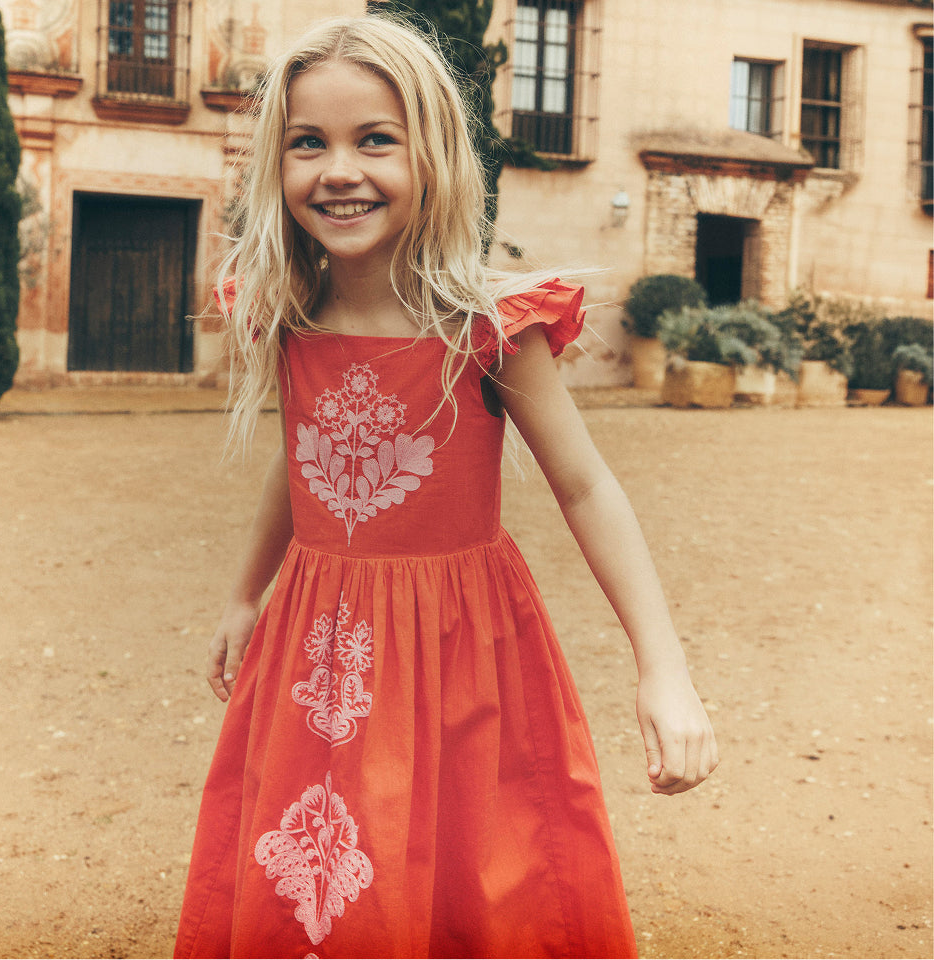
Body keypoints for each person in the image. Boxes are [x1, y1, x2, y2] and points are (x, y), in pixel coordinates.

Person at [173, 13, 718, 959]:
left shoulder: (491, 326)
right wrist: (240, 593)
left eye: (373, 139)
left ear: (432, 153)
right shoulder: (292, 312)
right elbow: (300, 458)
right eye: (310, 142)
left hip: (463, 651)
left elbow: (585, 487)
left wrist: (662, 665)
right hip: (316, 651)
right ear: (278, 163)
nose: (338, 169)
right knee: (322, 881)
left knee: (470, 878)